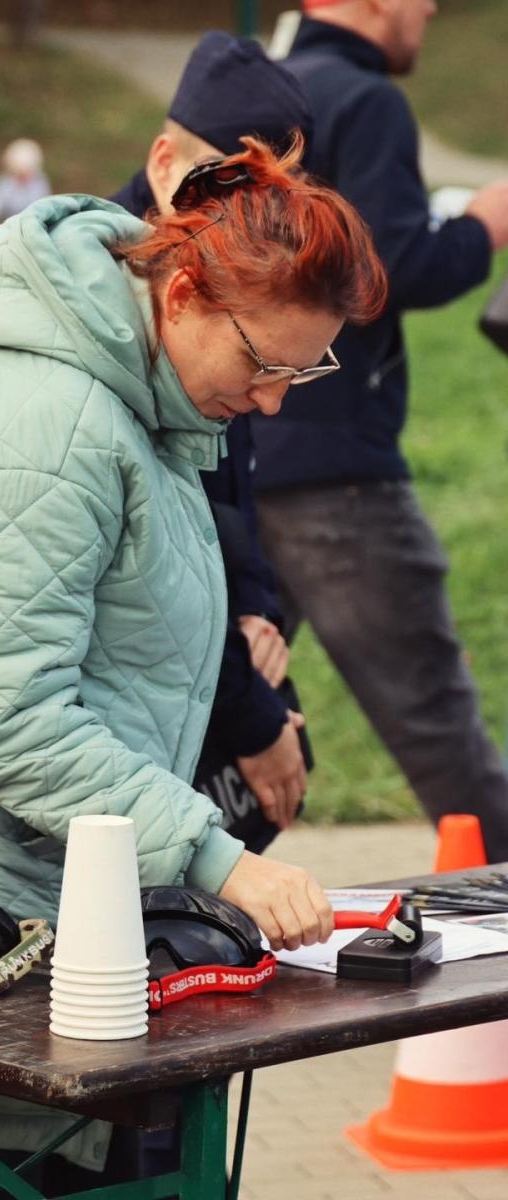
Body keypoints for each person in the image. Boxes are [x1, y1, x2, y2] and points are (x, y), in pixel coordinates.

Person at [0, 137, 385, 1194]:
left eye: (301, 371)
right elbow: (15, 719)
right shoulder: (38, 419)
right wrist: (219, 860)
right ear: (181, 293)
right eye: (263, 363)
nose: (273, 401)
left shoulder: (142, 400)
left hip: (38, 890)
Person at [247, 0, 508, 863]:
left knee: (217, 714)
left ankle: (150, 907)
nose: (429, 7)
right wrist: (485, 223)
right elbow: (385, 267)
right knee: (438, 722)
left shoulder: (260, 93)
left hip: (236, 452)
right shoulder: (364, 99)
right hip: (339, 476)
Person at [113, 32, 317, 850]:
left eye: (274, 205)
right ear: (164, 165)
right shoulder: (126, 307)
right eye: (228, 192)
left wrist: (261, 614)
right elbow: (152, 571)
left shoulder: (237, 281)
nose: (252, 229)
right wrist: (251, 710)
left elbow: (235, 482)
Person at [0, 136, 50, 224]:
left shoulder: (39, 184)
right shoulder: (5, 183)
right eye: (19, 172)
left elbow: (42, 208)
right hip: (7, 226)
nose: (23, 176)